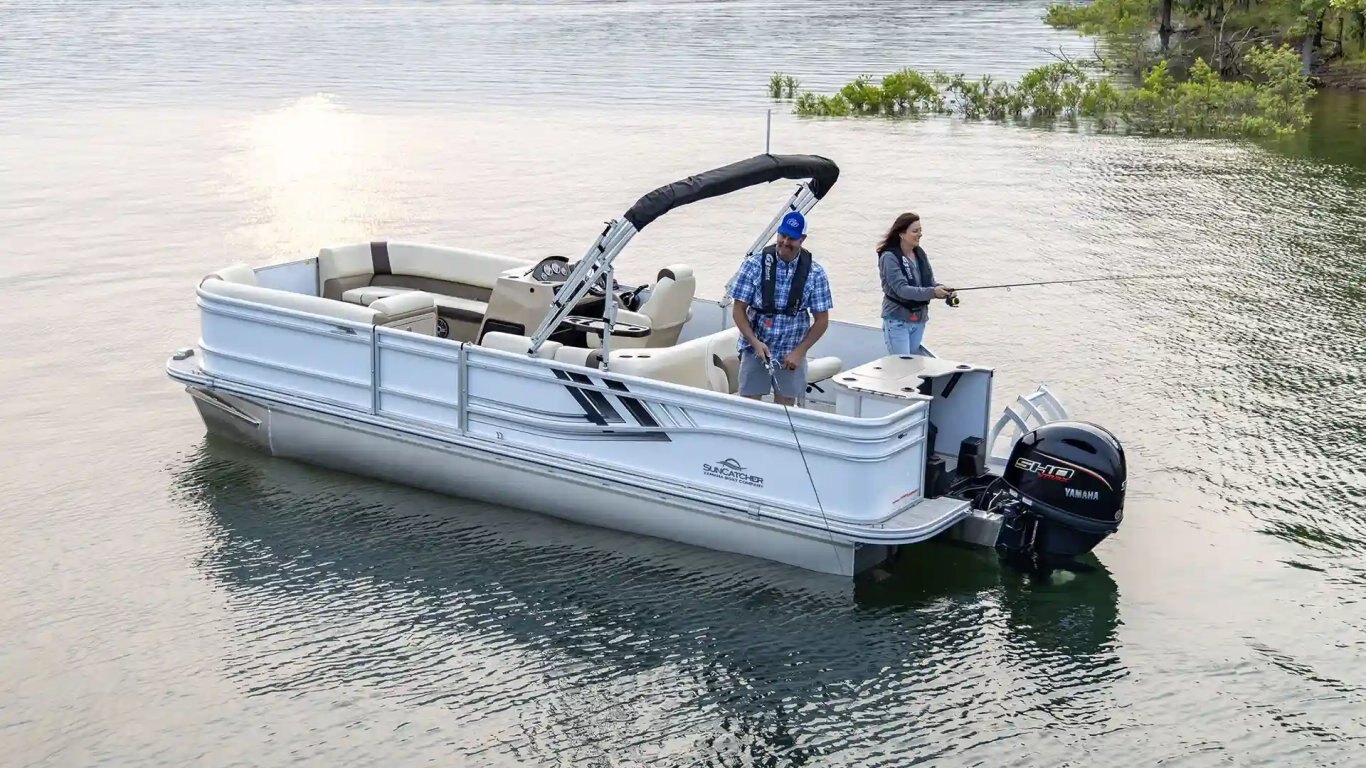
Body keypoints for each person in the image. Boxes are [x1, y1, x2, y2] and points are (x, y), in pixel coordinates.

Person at [728, 210, 833, 406]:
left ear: (802, 239)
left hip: (791, 350)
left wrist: (799, 352)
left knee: (786, 407)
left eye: (791, 238)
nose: (785, 242)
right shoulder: (753, 265)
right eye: (782, 235)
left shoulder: (816, 273)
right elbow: (738, 310)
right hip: (756, 348)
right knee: (749, 405)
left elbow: (822, 321)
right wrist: (754, 342)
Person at [877, 212, 953, 355]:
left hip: (919, 320)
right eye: (915, 231)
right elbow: (902, 290)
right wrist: (933, 292)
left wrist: (942, 290)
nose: (920, 234)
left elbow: (929, 283)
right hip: (897, 320)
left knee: (912, 363)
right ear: (901, 234)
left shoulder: (919, 254)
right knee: (902, 364)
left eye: (920, 230)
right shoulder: (889, 257)